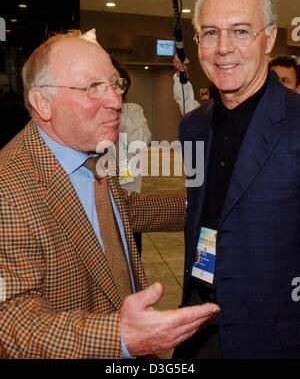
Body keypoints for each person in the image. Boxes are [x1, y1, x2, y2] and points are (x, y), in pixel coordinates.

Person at [0, 29, 219, 359]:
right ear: (43, 102)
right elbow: (10, 322)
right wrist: (119, 337)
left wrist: (211, 199)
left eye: (115, 84)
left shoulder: (90, 154)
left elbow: (122, 212)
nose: (116, 101)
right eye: (92, 88)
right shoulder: (9, 186)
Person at [174, 0, 300, 359]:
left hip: (276, 334)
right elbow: (200, 208)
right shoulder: (192, 127)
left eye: (241, 31)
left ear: (269, 38)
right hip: (199, 326)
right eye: (210, 33)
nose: (223, 48)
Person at [111, 58, 151, 255]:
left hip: (129, 194)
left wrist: (115, 113)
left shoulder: (132, 110)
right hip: (100, 195)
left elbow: (142, 139)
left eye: (118, 82)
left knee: (132, 253)